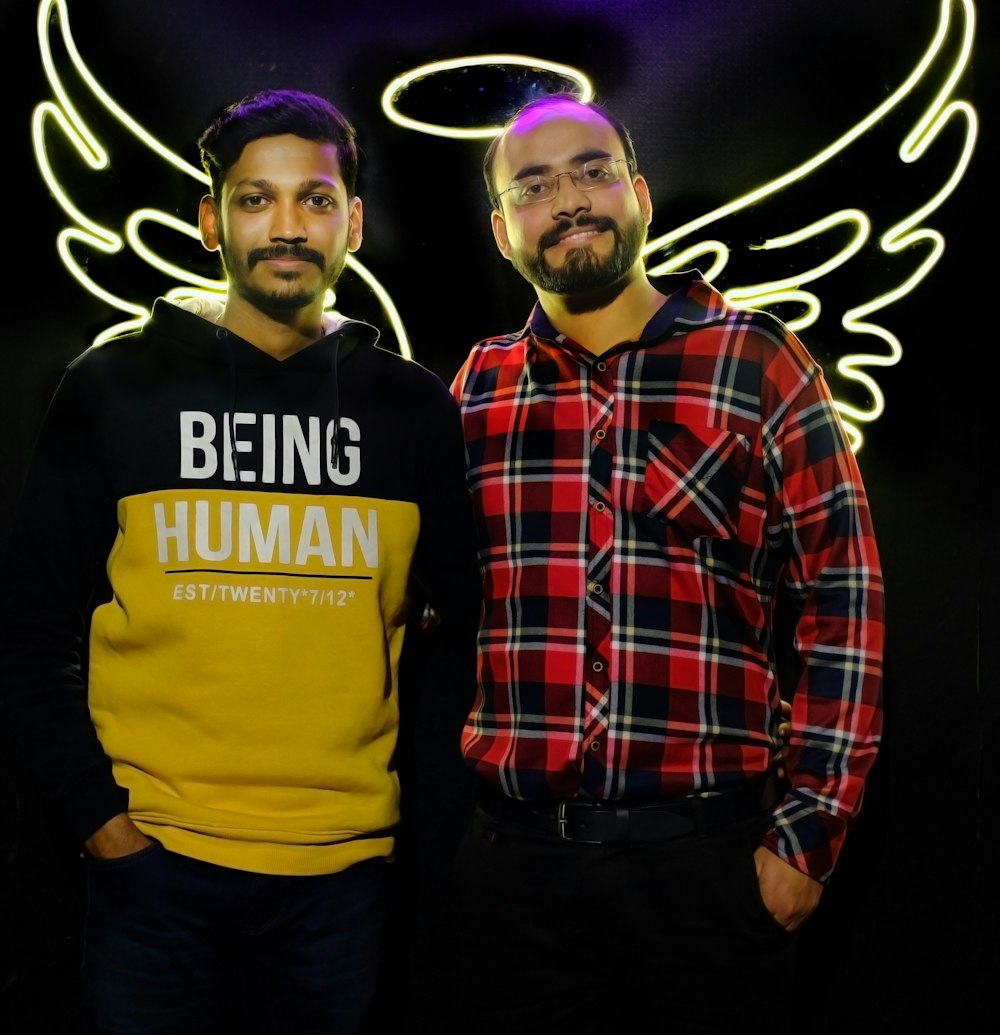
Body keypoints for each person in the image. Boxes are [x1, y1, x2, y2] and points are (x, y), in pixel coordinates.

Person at [0, 88, 481, 1035]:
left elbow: (471, 628)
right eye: (256, 199)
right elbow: (31, 626)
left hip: (342, 877)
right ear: (210, 220)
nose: (286, 226)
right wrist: (104, 822)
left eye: (313, 199)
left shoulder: (411, 408)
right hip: (155, 865)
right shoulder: (113, 388)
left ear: (351, 221)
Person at [442, 92, 885, 1032]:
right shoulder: (476, 389)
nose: (568, 201)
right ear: (500, 228)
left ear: (639, 193)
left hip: (707, 874)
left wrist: (806, 840)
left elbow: (845, 601)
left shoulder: (756, 362)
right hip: (513, 875)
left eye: (592, 171)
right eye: (534, 185)